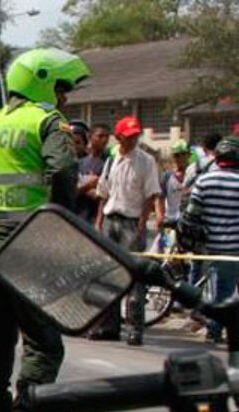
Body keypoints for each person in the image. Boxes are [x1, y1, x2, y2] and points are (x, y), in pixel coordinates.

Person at [0, 48, 87, 412]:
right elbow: (63, 172)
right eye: (61, 89)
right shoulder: (47, 122)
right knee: (44, 344)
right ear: (42, 82)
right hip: (27, 246)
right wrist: (61, 226)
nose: (64, 99)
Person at [95, 115, 161, 345]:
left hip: (131, 223)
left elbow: (151, 194)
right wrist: (99, 221)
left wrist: (142, 223)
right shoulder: (112, 160)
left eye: (135, 136)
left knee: (135, 276)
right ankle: (108, 326)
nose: (132, 140)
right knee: (109, 274)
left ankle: (134, 328)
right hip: (110, 220)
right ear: (119, 137)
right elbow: (103, 192)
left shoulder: (146, 161)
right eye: (128, 136)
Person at [182, 136, 239, 343]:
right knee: (226, 291)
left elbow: (191, 216)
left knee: (219, 290)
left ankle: (214, 330)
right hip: (236, 247)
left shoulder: (204, 181)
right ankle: (218, 329)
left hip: (213, 247)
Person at [156, 140, 192, 251]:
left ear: (188, 155)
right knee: (167, 252)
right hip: (170, 222)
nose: (179, 158)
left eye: (182, 155)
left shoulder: (194, 175)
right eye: (176, 155)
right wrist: (160, 216)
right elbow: (159, 197)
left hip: (188, 223)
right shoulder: (167, 176)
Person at [75, 122, 109, 223]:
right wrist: (88, 185)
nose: (104, 140)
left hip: (100, 218)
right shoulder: (80, 163)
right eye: (100, 136)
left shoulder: (110, 163)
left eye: (107, 136)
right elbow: (71, 191)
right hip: (79, 215)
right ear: (90, 137)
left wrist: (97, 189)